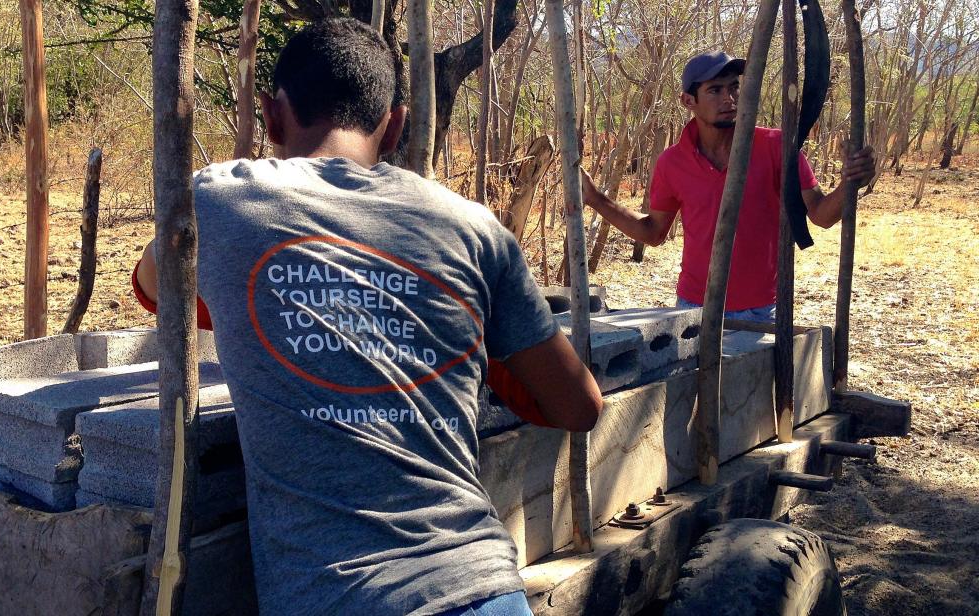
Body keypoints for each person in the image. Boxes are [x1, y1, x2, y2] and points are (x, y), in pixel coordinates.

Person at [132, 18, 603, 616]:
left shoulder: (220, 201)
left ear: (272, 118)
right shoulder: (474, 227)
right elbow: (578, 406)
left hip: (335, 598)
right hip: (483, 586)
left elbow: (154, 288)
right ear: (397, 125)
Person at [579, 51, 878, 322]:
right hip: (695, 307)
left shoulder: (775, 146)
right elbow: (653, 232)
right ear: (688, 100)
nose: (729, 98)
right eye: (715, 90)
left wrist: (850, 183)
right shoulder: (672, 162)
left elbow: (821, 215)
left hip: (763, 310)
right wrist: (595, 199)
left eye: (734, 87)